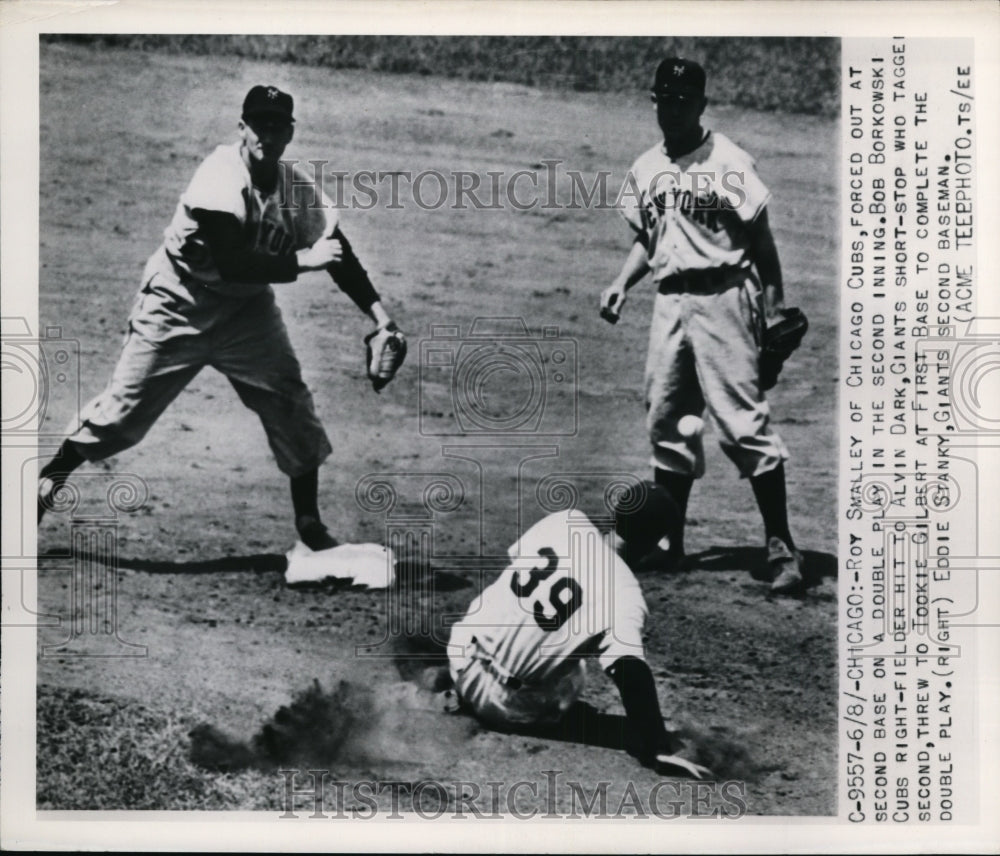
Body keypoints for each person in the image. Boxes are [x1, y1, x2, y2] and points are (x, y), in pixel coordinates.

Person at [37, 85, 402, 550]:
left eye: (277, 125)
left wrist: (381, 317)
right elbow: (233, 261)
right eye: (259, 125)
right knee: (120, 417)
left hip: (246, 313)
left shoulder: (295, 187)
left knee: (289, 401)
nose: (266, 134)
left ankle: (310, 526)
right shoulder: (219, 175)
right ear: (242, 128)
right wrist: (303, 261)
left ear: (289, 132)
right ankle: (53, 474)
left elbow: (338, 251)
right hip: (176, 303)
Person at [599, 58, 802, 594]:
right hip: (671, 302)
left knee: (741, 423)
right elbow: (650, 239)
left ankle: (782, 545)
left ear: (701, 104)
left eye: (684, 101)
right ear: (655, 100)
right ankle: (670, 543)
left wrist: (776, 308)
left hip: (725, 297)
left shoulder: (729, 161)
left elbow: (761, 243)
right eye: (665, 99)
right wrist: (623, 282)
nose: (674, 109)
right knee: (667, 420)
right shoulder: (645, 167)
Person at [443, 482, 712, 779]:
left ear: (615, 515)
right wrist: (659, 746)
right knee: (576, 668)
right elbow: (629, 671)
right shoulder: (624, 595)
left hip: (462, 654)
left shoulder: (565, 521)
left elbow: (517, 564)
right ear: (651, 544)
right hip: (503, 706)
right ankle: (503, 704)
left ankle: (448, 684)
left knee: (512, 608)